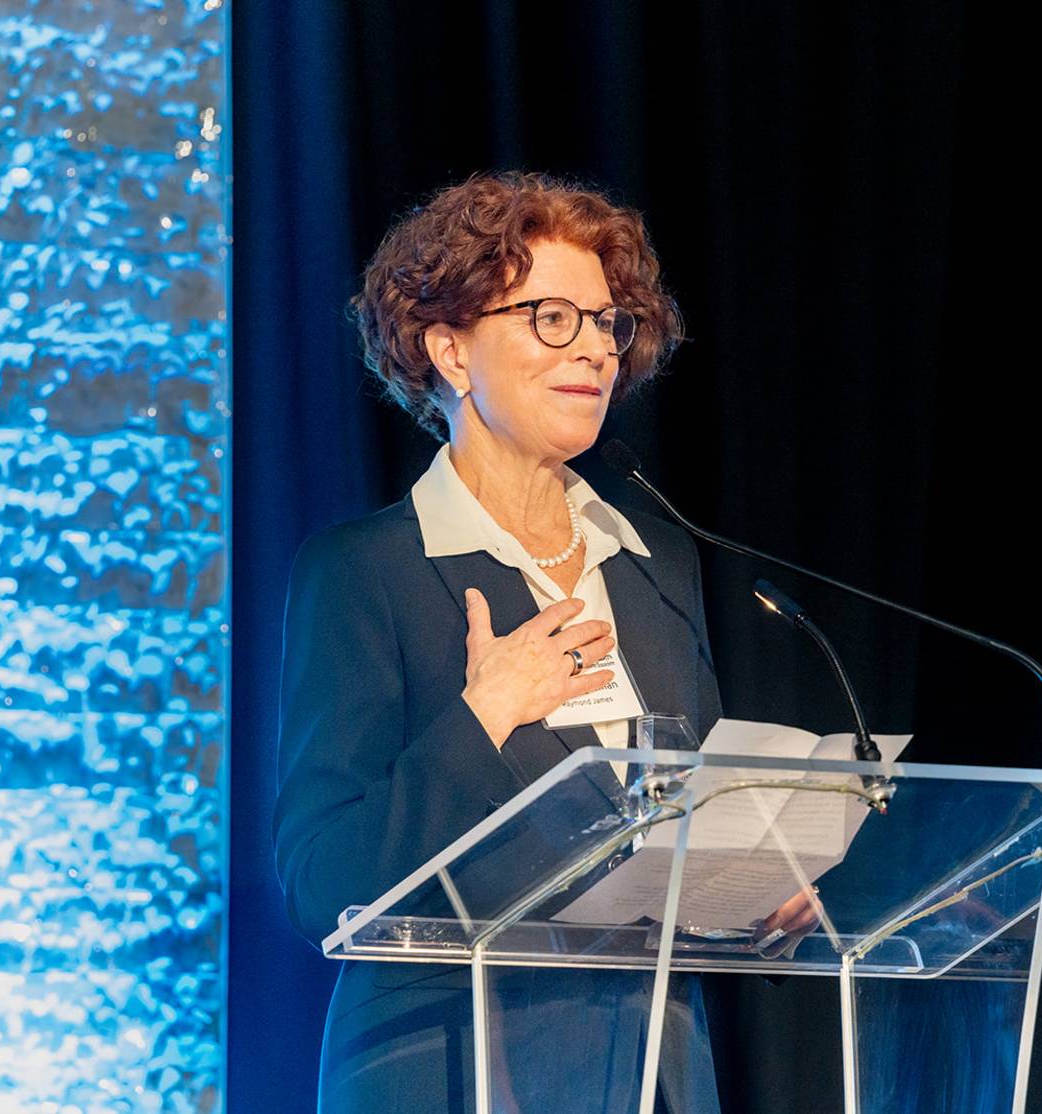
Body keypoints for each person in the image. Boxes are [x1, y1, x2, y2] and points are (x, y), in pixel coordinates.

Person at [277, 172, 803, 1112]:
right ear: (450, 349)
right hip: (447, 1069)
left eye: (606, 323)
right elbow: (323, 882)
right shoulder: (365, 573)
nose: (595, 351)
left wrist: (761, 897)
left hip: (651, 1074)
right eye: (551, 318)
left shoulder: (653, 565)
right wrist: (487, 713)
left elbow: (692, 827)